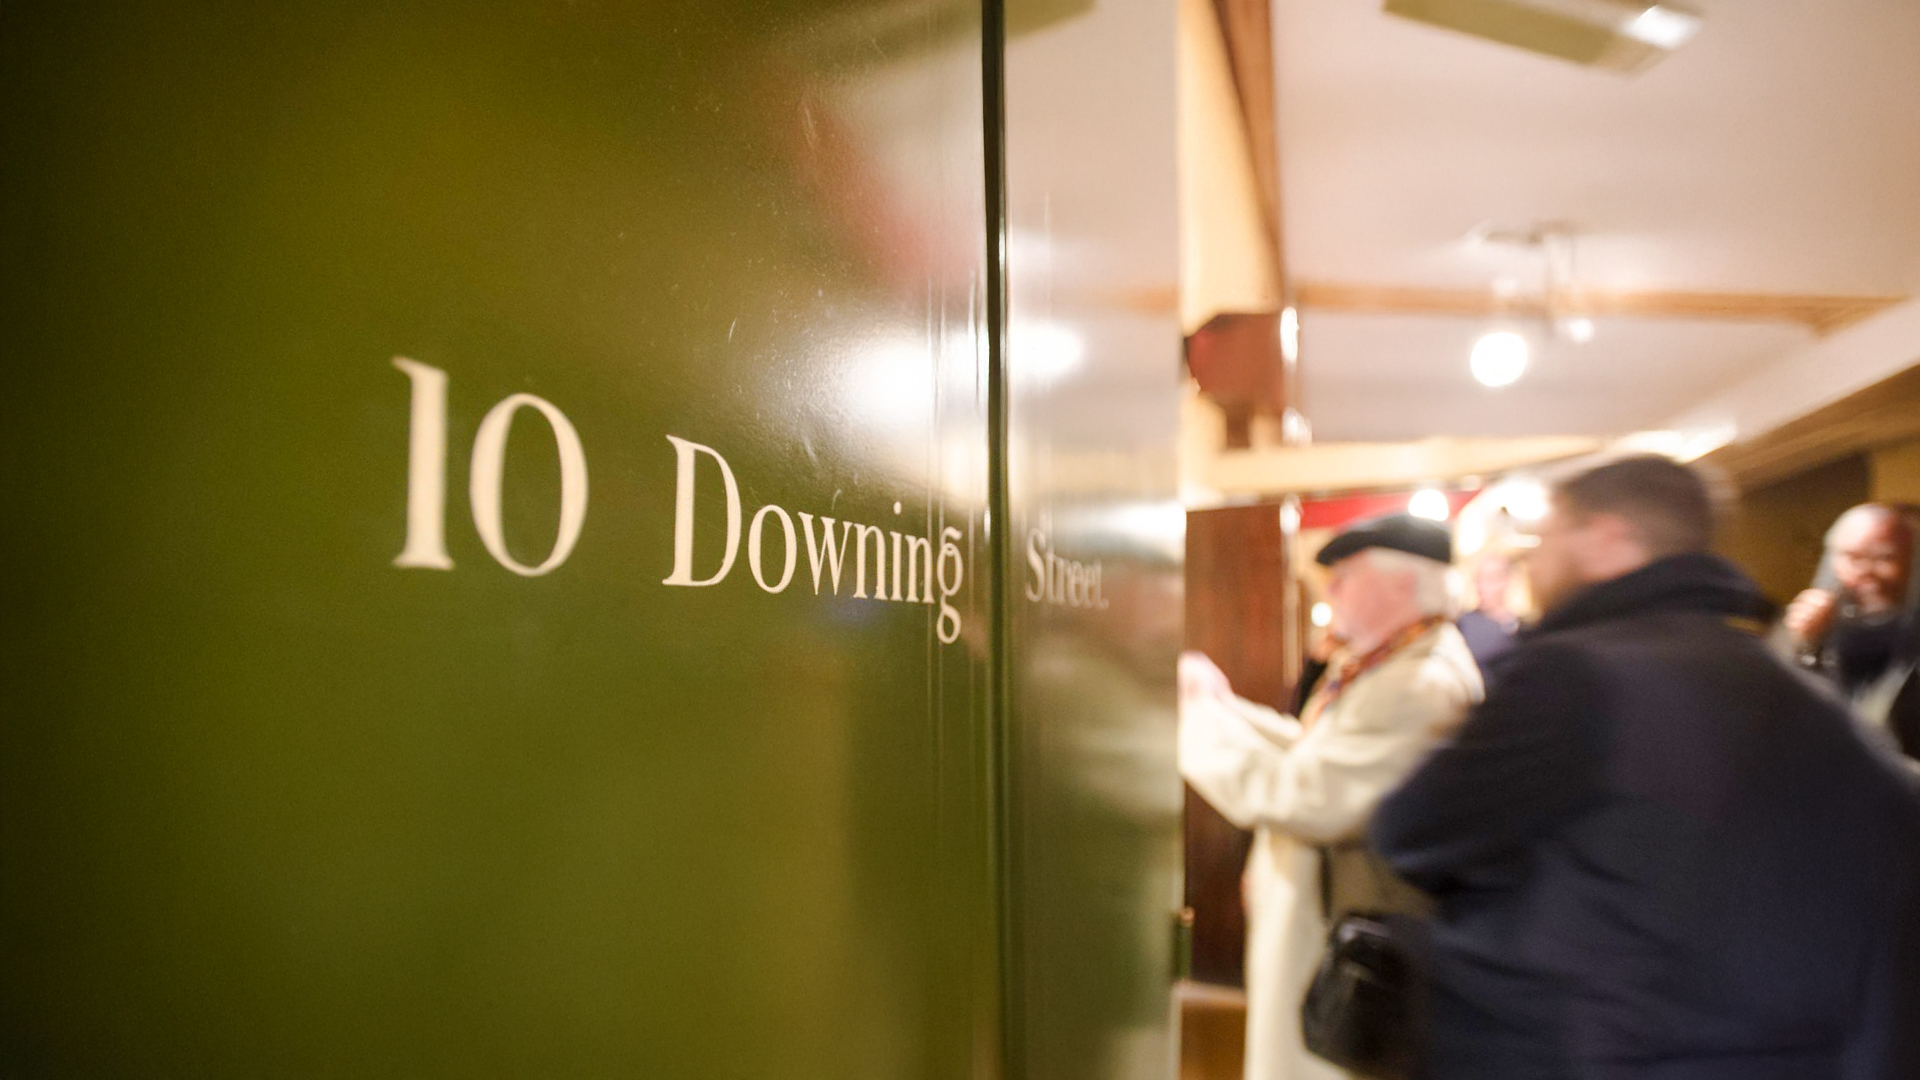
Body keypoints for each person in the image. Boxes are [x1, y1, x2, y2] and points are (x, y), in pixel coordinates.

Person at [1372, 455, 1920, 1080]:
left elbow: (1412, 831)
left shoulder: (1573, 675)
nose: (1534, 563)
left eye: (1547, 540)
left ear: (1608, 540)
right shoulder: (1805, 702)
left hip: (1589, 1049)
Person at [1180, 514, 1483, 1080]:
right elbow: (1314, 749)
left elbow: (1309, 796)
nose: (1332, 590)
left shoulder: (1421, 685)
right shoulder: (1394, 663)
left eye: (1347, 575)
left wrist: (1191, 721)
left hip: (1351, 948)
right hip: (1327, 929)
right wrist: (1219, 706)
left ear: (1402, 583)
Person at [1781, 503, 1920, 760]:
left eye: (1884, 557)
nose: (1867, 572)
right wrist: (1806, 647)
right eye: (1853, 558)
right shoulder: (1809, 631)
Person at [1455, 549, 1522, 672]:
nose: (1481, 587)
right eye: (1478, 580)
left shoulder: (1522, 628)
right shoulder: (1462, 624)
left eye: (1490, 579)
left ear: (1506, 581)